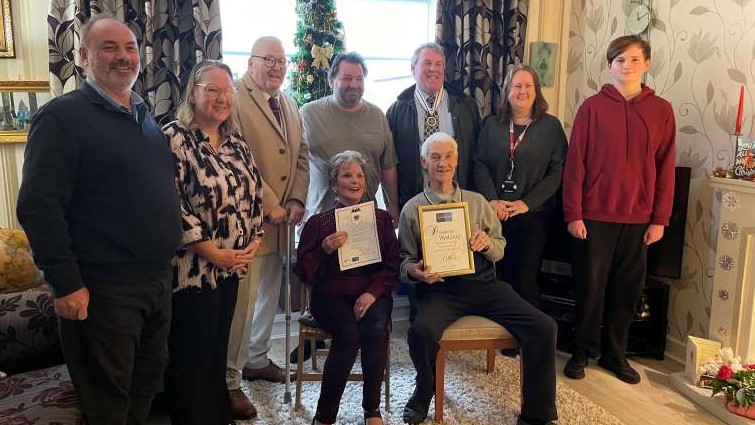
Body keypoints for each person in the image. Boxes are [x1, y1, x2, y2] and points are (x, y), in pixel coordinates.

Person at [16, 16, 182, 425]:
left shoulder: (145, 118)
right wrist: (67, 282)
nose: (123, 57)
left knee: (146, 388)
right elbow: (39, 207)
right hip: (102, 290)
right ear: (83, 57)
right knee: (108, 401)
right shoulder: (62, 119)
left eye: (129, 48)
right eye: (110, 47)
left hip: (156, 282)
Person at [398, 133, 558, 425]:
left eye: (448, 156)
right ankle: (423, 392)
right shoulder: (412, 209)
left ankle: (537, 412)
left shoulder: (477, 202)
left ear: (457, 160)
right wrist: (415, 271)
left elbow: (499, 249)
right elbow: (404, 262)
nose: (442, 163)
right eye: (435, 157)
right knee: (421, 331)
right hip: (440, 291)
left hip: (485, 286)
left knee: (544, 326)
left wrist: (486, 244)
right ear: (424, 162)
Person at [562, 35, 676, 385]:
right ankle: (581, 350)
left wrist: (660, 219)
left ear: (647, 64)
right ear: (610, 65)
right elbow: (575, 164)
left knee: (626, 292)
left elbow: (666, 167)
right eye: (619, 60)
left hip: (638, 220)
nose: (626, 66)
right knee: (590, 288)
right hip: (594, 217)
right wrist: (574, 214)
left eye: (634, 60)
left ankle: (615, 354)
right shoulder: (591, 108)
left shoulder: (662, 111)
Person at [163, 60, 264, 425]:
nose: (222, 97)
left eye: (228, 90)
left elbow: (253, 196)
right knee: (193, 357)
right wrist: (211, 252)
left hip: (231, 268)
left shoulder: (236, 142)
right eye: (212, 89)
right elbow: (171, 203)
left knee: (218, 352)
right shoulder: (174, 137)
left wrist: (253, 241)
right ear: (193, 93)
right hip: (194, 271)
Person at [292, 51, 399, 363]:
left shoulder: (378, 116)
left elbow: (388, 164)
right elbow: (296, 161)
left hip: (364, 217)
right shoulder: (309, 113)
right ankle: (316, 326)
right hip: (320, 213)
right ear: (332, 80)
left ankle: (359, 332)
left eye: (359, 78)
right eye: (347, 77)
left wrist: (392, 204)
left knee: (358, 275)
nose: (353, 84)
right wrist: (296, 199)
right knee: (318, 271)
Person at [226, 35, 309, 418]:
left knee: (268, 298)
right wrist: (272, 204)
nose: (276, 67)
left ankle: (257, 358)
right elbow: (235, 158)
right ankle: (229, 380)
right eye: (268, 60)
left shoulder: (289, 101)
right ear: (251, 62)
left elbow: (302, 154)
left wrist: (294, 200)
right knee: (242, 303)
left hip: (282, 224)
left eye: (281, 61)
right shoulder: (235, 99)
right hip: (248, 223)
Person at [295, 150, 398, 425]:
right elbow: (304, 272)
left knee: (375, 329)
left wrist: (372, 293)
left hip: (371, 293)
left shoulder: (381, 219)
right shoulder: (318, 224)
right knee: (349, 336)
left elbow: (391, 267)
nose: (355, 181)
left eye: (360, 175)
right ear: (333, 184)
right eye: (347, 175)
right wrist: (324, 249)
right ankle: (325, 415)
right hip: (330, 297)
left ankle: (371, 409)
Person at [473, 65, 567, 308]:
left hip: (533, 216)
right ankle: (499, 338)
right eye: (517, 86)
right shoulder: (491, 125)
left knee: (525, 280)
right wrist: (492, 200)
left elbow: (557, 171)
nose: (522, 91)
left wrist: (526, 204)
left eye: (528, 86)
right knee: (497, 278)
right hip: (495, 215)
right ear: (506, 91)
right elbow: (479, 164)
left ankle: (528, 339)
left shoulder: (551, 128)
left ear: (536, 91)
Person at [386, 42, 481, 210]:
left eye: (438, 64)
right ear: (413, 68)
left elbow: (478, 156)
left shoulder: (466, 106)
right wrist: (393, 207)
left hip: (458, 203)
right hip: (414, 204)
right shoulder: (396, 111)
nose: (433, 69)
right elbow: (389, 164)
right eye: (427, 63)